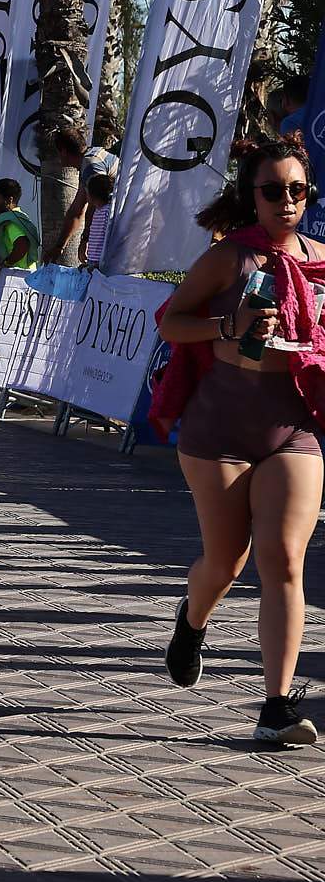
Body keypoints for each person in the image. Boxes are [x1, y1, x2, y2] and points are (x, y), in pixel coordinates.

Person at [154, 137, 324, 746]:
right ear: (250, 197)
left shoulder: (321, 261)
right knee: (226, 562)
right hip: (217, 433)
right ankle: (191, 622)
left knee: (283, 558)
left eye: (297, 190)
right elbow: (171, 321)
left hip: (292, 431)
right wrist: (230, 324)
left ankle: (276, 704)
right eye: (273, 191)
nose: (286, 201)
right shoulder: (230, 259)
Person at [51, 129, 122, 267]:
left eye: (58, 152)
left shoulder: (91, 165)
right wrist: (59, 247)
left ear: (64, 151)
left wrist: (86, 239)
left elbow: (95, 205)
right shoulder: (90, 158)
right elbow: (76, 210)